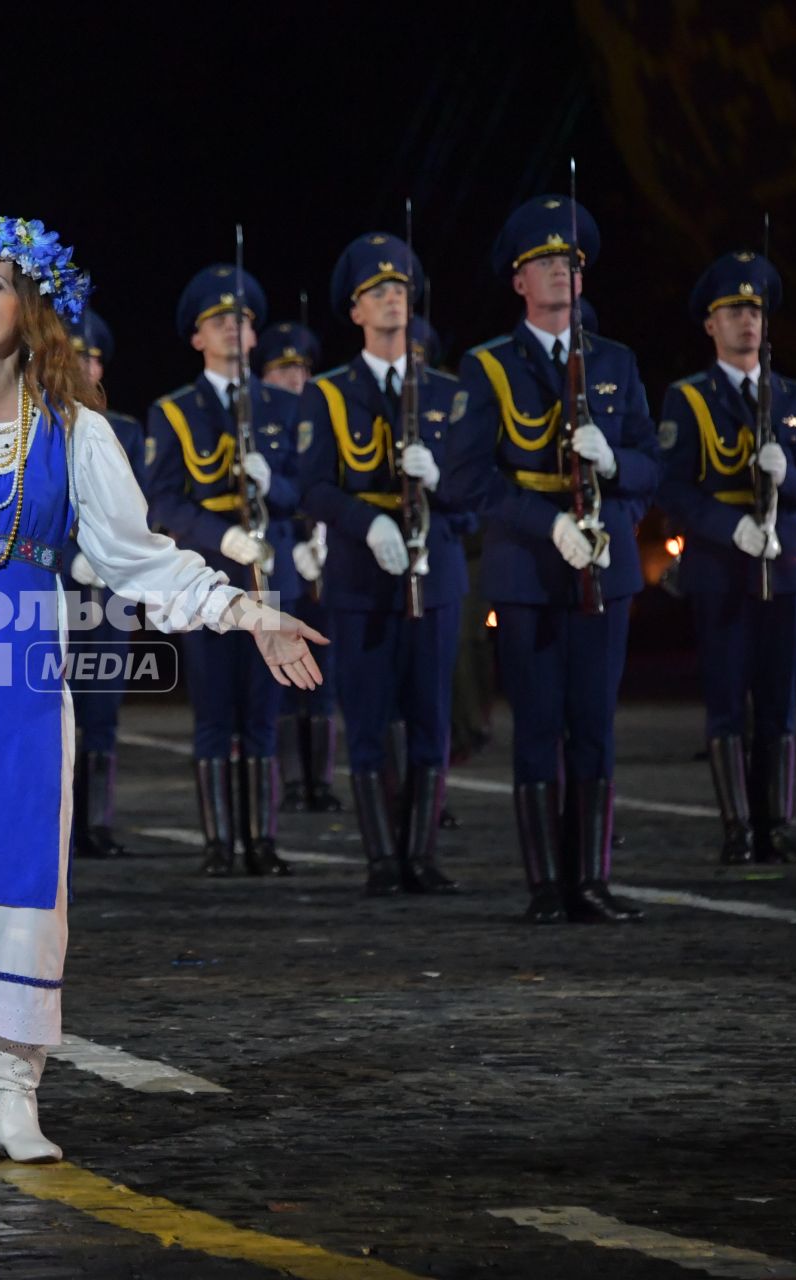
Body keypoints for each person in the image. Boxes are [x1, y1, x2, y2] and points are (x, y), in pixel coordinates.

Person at [0, 209, 325, 1169]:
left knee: (18, 878)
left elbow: (139, 560)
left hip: (16, 672)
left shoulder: (77, 431)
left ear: (32, 307)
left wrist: (248, 613)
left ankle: (15, 1094)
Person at [443, 195, 659, 924]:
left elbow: (650, 466)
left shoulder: (617, 363)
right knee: (538, 726)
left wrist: (617, 475)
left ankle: (591, 880)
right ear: (518, 282)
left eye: (569, 262)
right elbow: (471, 478)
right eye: (544, 263)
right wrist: (548, 525)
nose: (560, 273)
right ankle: (546, 885)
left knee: (594, 724)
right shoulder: (489, 367)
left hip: (607, 569)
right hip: (529, 571)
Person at [295, 233, 465, 896]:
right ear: (356, 311)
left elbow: (476, 493)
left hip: (437, 574)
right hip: (361, 581)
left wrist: (441, 483)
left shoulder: (448, 393)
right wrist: (369, 524)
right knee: (367, 718)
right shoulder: (330, 394)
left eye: (399, 290)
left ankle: (420, 855)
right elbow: (313, 487)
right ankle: (381, 861)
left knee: (430, 716)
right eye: (377, 292)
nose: (392, 299)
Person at [656, 251, 796, 865]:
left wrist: (792, 483)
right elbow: (672, 487)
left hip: (784, 565)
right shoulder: (689, 399)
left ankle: (775, 825)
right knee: (728, 698)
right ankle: (738, 827)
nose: (746, 320)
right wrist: (729, 528)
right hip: (721, 567)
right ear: (710, 325)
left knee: (779, 701)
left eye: (754, 309)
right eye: (733, 310)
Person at [146, 263, 303, 878]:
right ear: (196, 337)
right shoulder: (177, 411)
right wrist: (222, 536)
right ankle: (219, 842)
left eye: (241, 321)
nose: (233, 330)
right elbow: (162, 500)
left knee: (264, 709)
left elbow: (305, 487)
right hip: (208, 573)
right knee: (215, 710)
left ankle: (261, 839)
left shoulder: (284, 406)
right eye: (219, 322)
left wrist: (278, 485)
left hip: (269, 572)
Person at [61, 308, 146, 859]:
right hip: (63, 588)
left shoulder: (128, 431)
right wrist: (72, 556)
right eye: (75, 356)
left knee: (103, 707)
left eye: (91, 358)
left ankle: (99, 822)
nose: (84, 366)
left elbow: (134, 513)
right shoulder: (43, 423)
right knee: (58, 705)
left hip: (110, 589)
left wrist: (111, 562)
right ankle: (64, 823)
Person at [256, 319, 342, 813]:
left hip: (323, 554)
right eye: (284, 368)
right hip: (279, 557)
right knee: (286, 674)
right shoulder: (263, 422)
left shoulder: (321, 416)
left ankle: (322, 780)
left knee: (324, 673)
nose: (297, 378)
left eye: (303, 368)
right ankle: (290, 780)